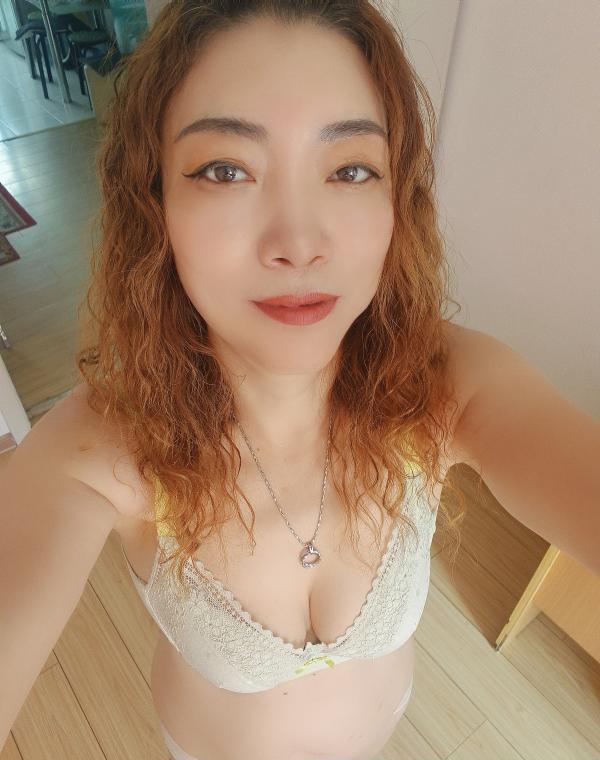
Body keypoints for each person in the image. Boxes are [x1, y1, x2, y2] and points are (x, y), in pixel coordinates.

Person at [4, 2, 598, 759]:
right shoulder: (103, 450)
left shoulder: (444, 385)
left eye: (350, 169)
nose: (299, 243)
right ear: (155, 204)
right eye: (226, 170)